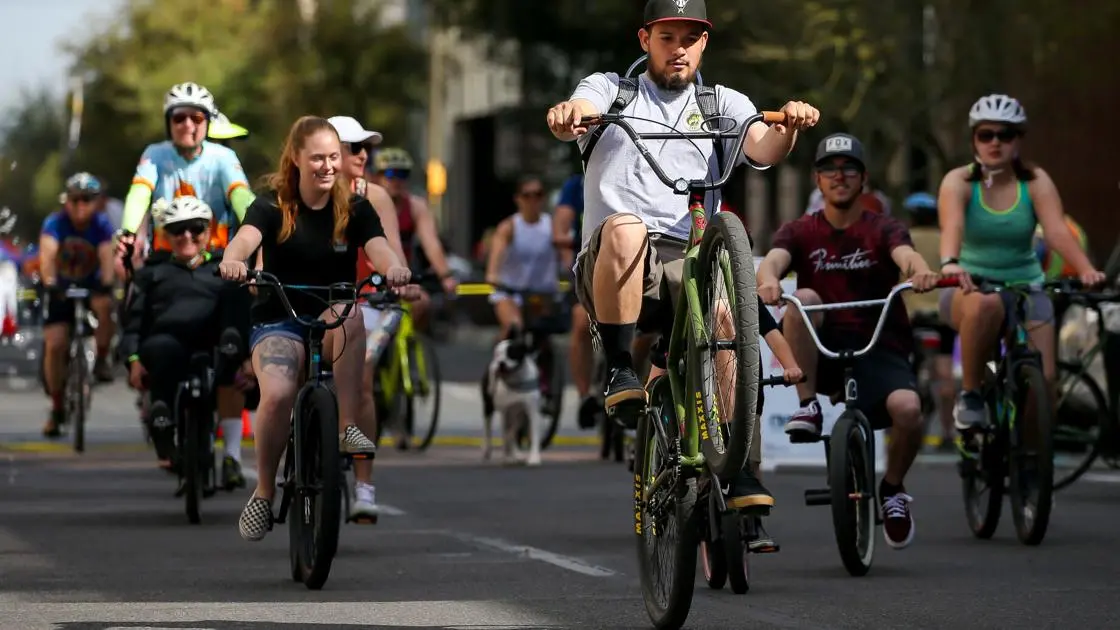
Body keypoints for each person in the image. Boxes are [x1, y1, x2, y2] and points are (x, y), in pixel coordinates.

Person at [546, 0, 819, 510]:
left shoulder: (723, 102)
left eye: (690, 38)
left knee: (727, 324)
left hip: (693, 261)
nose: (679, 49)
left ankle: (737, 467)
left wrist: (790, 128)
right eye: (668, 37)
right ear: (645, 39)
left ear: (704, 44)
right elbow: (578, 113)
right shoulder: (612, 89)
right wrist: (569, 116)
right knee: (627, 227)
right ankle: (620, 369)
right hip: (617, 261)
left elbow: (762, 147)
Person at [216, 115, 416, 542]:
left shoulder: (354, 207)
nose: (327, 166)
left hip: (330, 313)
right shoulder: (272, 203)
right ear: (296, 159)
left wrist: (396, 269)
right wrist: (234, 259)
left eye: (333, 157)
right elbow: (246, 238)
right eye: (318, 158)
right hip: (279, 317)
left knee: (349, 312)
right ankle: (265, 492)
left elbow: (379, 248)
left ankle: (347, 426)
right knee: (279, 395)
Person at [757, 133, 940, 549]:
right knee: (801, 298)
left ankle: (893, 489)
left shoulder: (885, 228)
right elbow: (773, 262)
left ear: (864, 179)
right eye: (829, 169)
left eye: (849, 169)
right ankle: (808, 407)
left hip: (879, 346)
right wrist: (767, 281)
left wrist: (920, 270)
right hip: (822, 350)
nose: (839, 176)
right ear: (817, 179)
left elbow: (906, 257)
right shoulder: (800, 230)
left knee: (909, 410)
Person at [937, 94, 1104, 432]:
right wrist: (951, 263)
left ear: (1018, 141)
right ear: (974, 139)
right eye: (986, 135)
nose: (995, 142)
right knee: (985, 306)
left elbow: (1057, 231)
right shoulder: (959, 182)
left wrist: (1085, 269)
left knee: (1045, 378)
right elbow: (952, 224)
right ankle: (970, 395)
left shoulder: (1036, 181)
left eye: (1005, 135)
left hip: (1027, 285)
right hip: (970, 287)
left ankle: (1029, 458)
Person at [119, 196, 253, 484]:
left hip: (217, 344)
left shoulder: (224, 267)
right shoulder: (152, 274)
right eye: (178, 230)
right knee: (161, 351)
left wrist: (249, 358)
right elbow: (132, 325)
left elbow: (247, 316)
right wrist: (132, 361)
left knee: (231, 343)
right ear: (166, 234)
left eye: (195, 228)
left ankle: (232, 457)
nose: (187, 236)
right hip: (168, 345)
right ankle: (163, 423)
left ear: (208, 230)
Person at [329, 114, 409, 520]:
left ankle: (364, 485)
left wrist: (400, 276)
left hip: (371, 303)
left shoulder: (374, 195)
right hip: (322, 302)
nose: (364, 155)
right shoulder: (308, 195)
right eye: (355, 148)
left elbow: (392, 249)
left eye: (367, 148)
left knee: (360, 377)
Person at [116, 83, 255, 271]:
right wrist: (128, 231)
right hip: (165, 260)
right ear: (169, 123)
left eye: (196, 118)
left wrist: (257, 228)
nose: (188, 124)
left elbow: (241, 197)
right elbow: (139, 195)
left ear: (207, 122)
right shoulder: (154, 154)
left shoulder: (223, 156)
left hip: (215, 259)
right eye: (179, 118)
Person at [39, 173, 118, 436]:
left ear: (96, 203)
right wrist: (50, 281)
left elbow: (107, 254)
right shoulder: (55, 223)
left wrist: (107, 282)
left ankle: (103, 358)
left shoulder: (102, 224)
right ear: (67, 201)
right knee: (56, 343)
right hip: (61, 288)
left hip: (91, 286)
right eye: (75, 200)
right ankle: (57, 406)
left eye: (87, 200)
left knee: (106, 307)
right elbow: (47, 253)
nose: (81, 205)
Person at [369, 147, 457, 329]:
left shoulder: (416, 206)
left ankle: (408, 343)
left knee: (422, 302)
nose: (397, 180)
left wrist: (446, 276)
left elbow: (431, 243)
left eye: (403, 174)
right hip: (370, 277)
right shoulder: (366, 202)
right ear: (377, 176)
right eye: (391, 173)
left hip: (401, 275)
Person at [902, 191, 957, 449]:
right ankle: (948, 433)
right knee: (945, 375)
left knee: (904, 374)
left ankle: (904, 428)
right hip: (942, 316)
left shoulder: (904, 241)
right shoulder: (946, 241)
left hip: (910, 317)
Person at [552, 173, 601, 428]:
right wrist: (564, 248)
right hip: (586, 264)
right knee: (580, 320)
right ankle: (584, 395)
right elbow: (560, 226)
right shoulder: (577, 185)